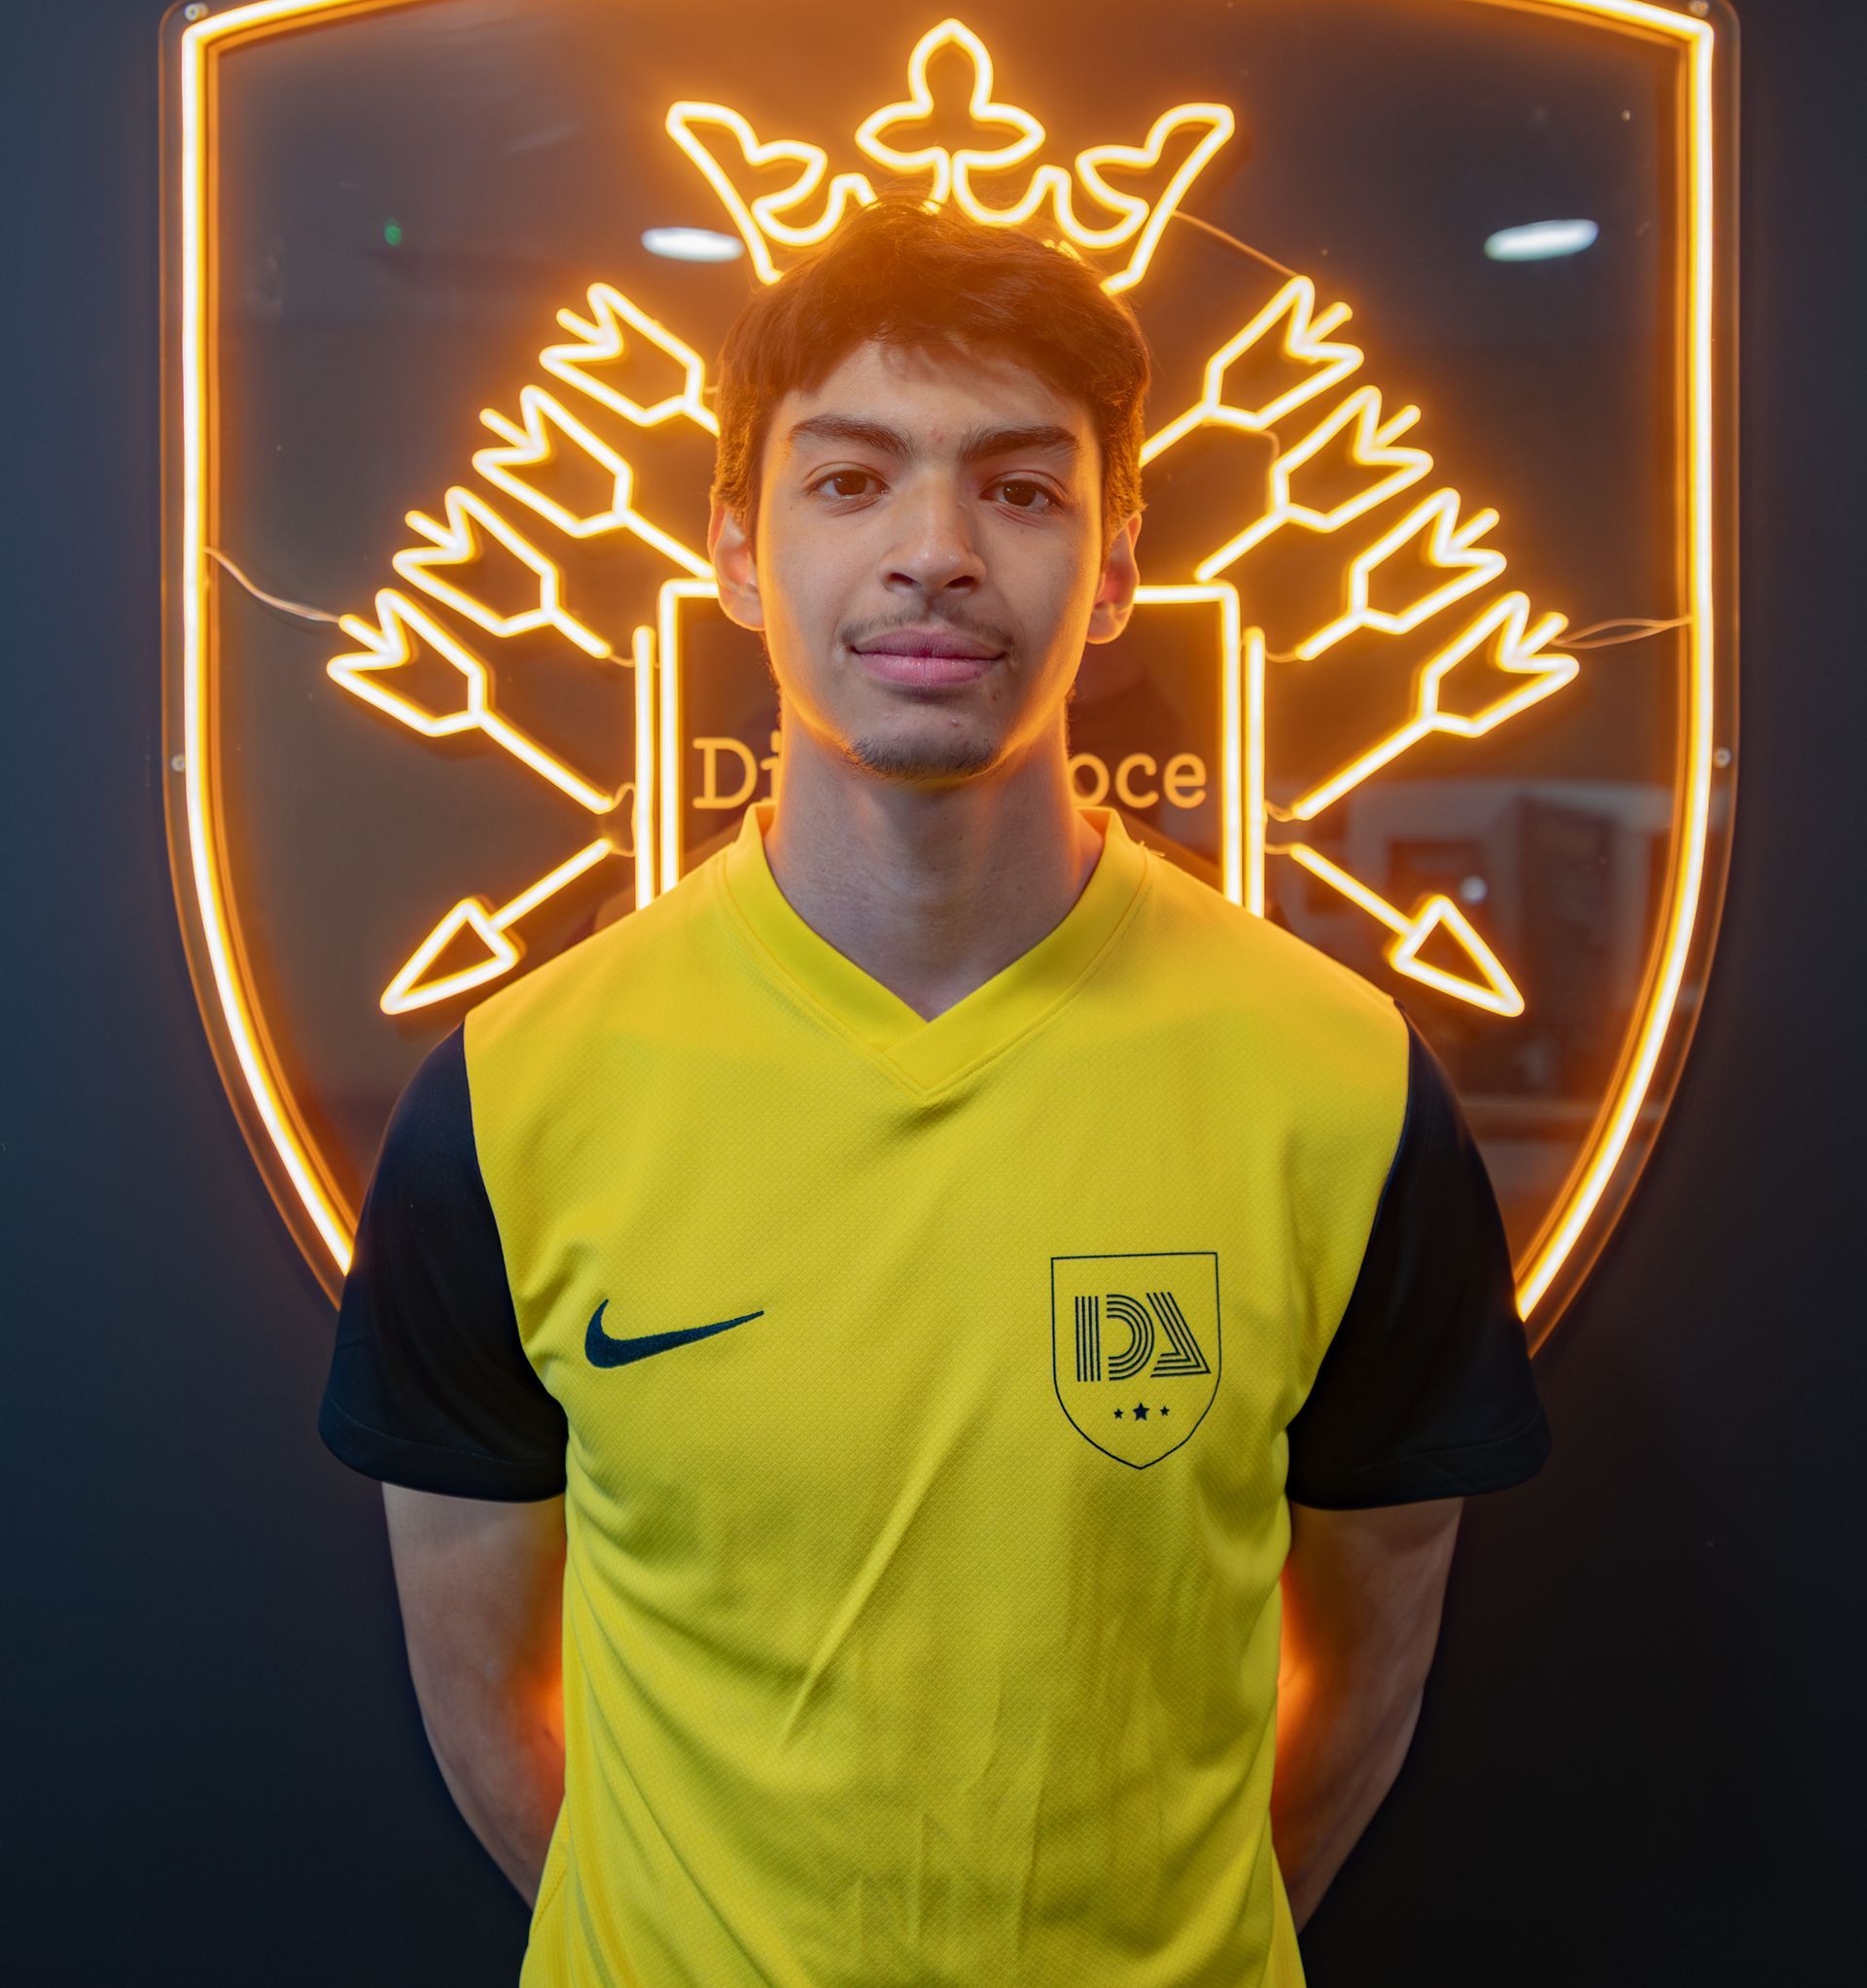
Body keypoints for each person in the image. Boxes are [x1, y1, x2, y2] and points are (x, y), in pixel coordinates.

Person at [319, 197, 1549, 1986]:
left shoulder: (1341, 1081)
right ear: (735, 550)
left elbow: (1364, 1663)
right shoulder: (513, 1097)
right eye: (850, 481)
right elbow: (483, 1690)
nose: (935, 551)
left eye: (1022, 487)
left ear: (1118, 571)